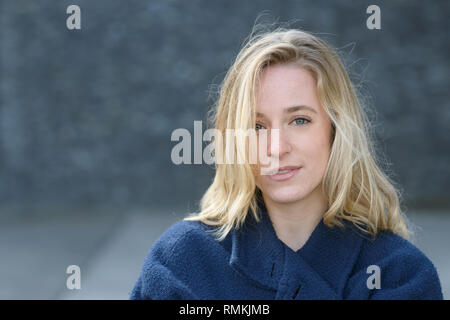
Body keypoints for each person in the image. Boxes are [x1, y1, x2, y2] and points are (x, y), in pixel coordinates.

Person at [129, 27, 443, 299]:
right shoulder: (183, 260)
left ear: (336, 130)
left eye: (300, 120)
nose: (276, 148)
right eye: (257, 127)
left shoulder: (399, 274)